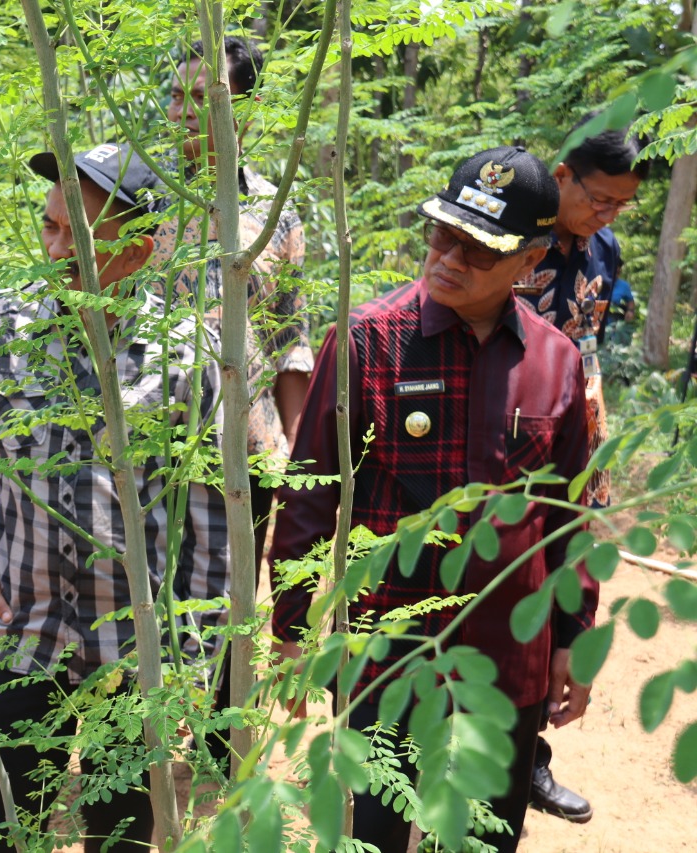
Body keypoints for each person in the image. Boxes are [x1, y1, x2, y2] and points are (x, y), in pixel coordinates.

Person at [270, 145, 598, 853]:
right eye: (442, 232)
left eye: (479, 248)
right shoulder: (365, 341)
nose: (449, 255)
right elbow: (309, 493)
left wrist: (572, 637)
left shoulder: (556, 362)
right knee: (371, 839)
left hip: (505, 670)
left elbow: (570, 520)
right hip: (386, 668)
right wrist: (292, 630)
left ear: (532, 259)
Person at [0, 142, 228, 852]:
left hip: (134, 651)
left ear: (141, 250)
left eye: (76, 235)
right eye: (48, 225)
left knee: (122, 833)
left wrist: (193, 652)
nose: (54, 248)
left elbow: (207, 517)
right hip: (28, 635)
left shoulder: (184, 354)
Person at [512, 122, 648, 822]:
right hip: (510, 438)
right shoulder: (517, 234)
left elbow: (587, 341)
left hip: (580, 437)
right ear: (561, 175)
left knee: (565, 592)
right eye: (598, 199)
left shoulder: (606, 250)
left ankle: (529, 761)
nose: (605, 215)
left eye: (619, 206)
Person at [157, 35, 313, 567]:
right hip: (149, 454)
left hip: (249, 455)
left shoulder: (277, 213)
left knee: (231, 620)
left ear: (248, 109)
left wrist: (294, 453)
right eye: (177, 97)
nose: (182, 113)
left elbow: (290, 340)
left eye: (201, 100)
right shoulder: (139, 202)